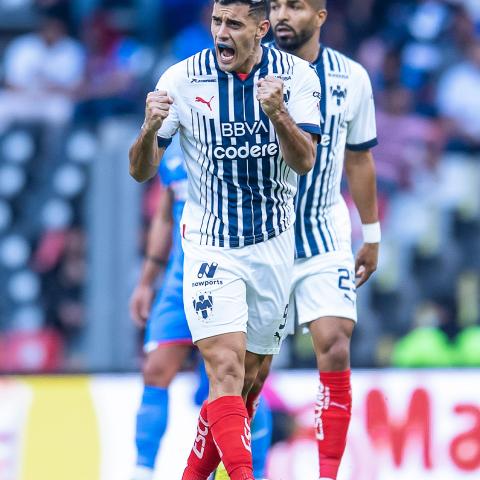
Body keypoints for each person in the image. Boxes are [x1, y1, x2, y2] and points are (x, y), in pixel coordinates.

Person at [129, 0, 321, 477]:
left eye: (233, 24)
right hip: (209, 248)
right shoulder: (180, 80)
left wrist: (278, 115)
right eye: (216, 21)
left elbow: (305, 162)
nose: (220, 33)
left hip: (273, 247)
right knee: (225, 371)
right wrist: (150, 128)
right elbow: (141, 172)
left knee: (247, 385)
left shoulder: (297, 78)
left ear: (261, 29)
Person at [253, 1, 380, 479]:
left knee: (336, 344)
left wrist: (371, 235)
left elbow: (360, 159)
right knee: (248, 373)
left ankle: (327, 474)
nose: (284, 14)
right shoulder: (247, 72)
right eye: (278, 5)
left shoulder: (352, 78)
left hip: (324, 234)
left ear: (321, 15)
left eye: (296, 5)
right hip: (260, 239)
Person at [129, 138, 272, 480]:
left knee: (241, 380)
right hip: (180, 276)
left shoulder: (236, 134)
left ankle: (258, 470)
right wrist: (147, 281)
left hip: (226, 272)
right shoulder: (172, 147)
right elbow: (165, 216)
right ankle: (142, 470)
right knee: (156, 369)